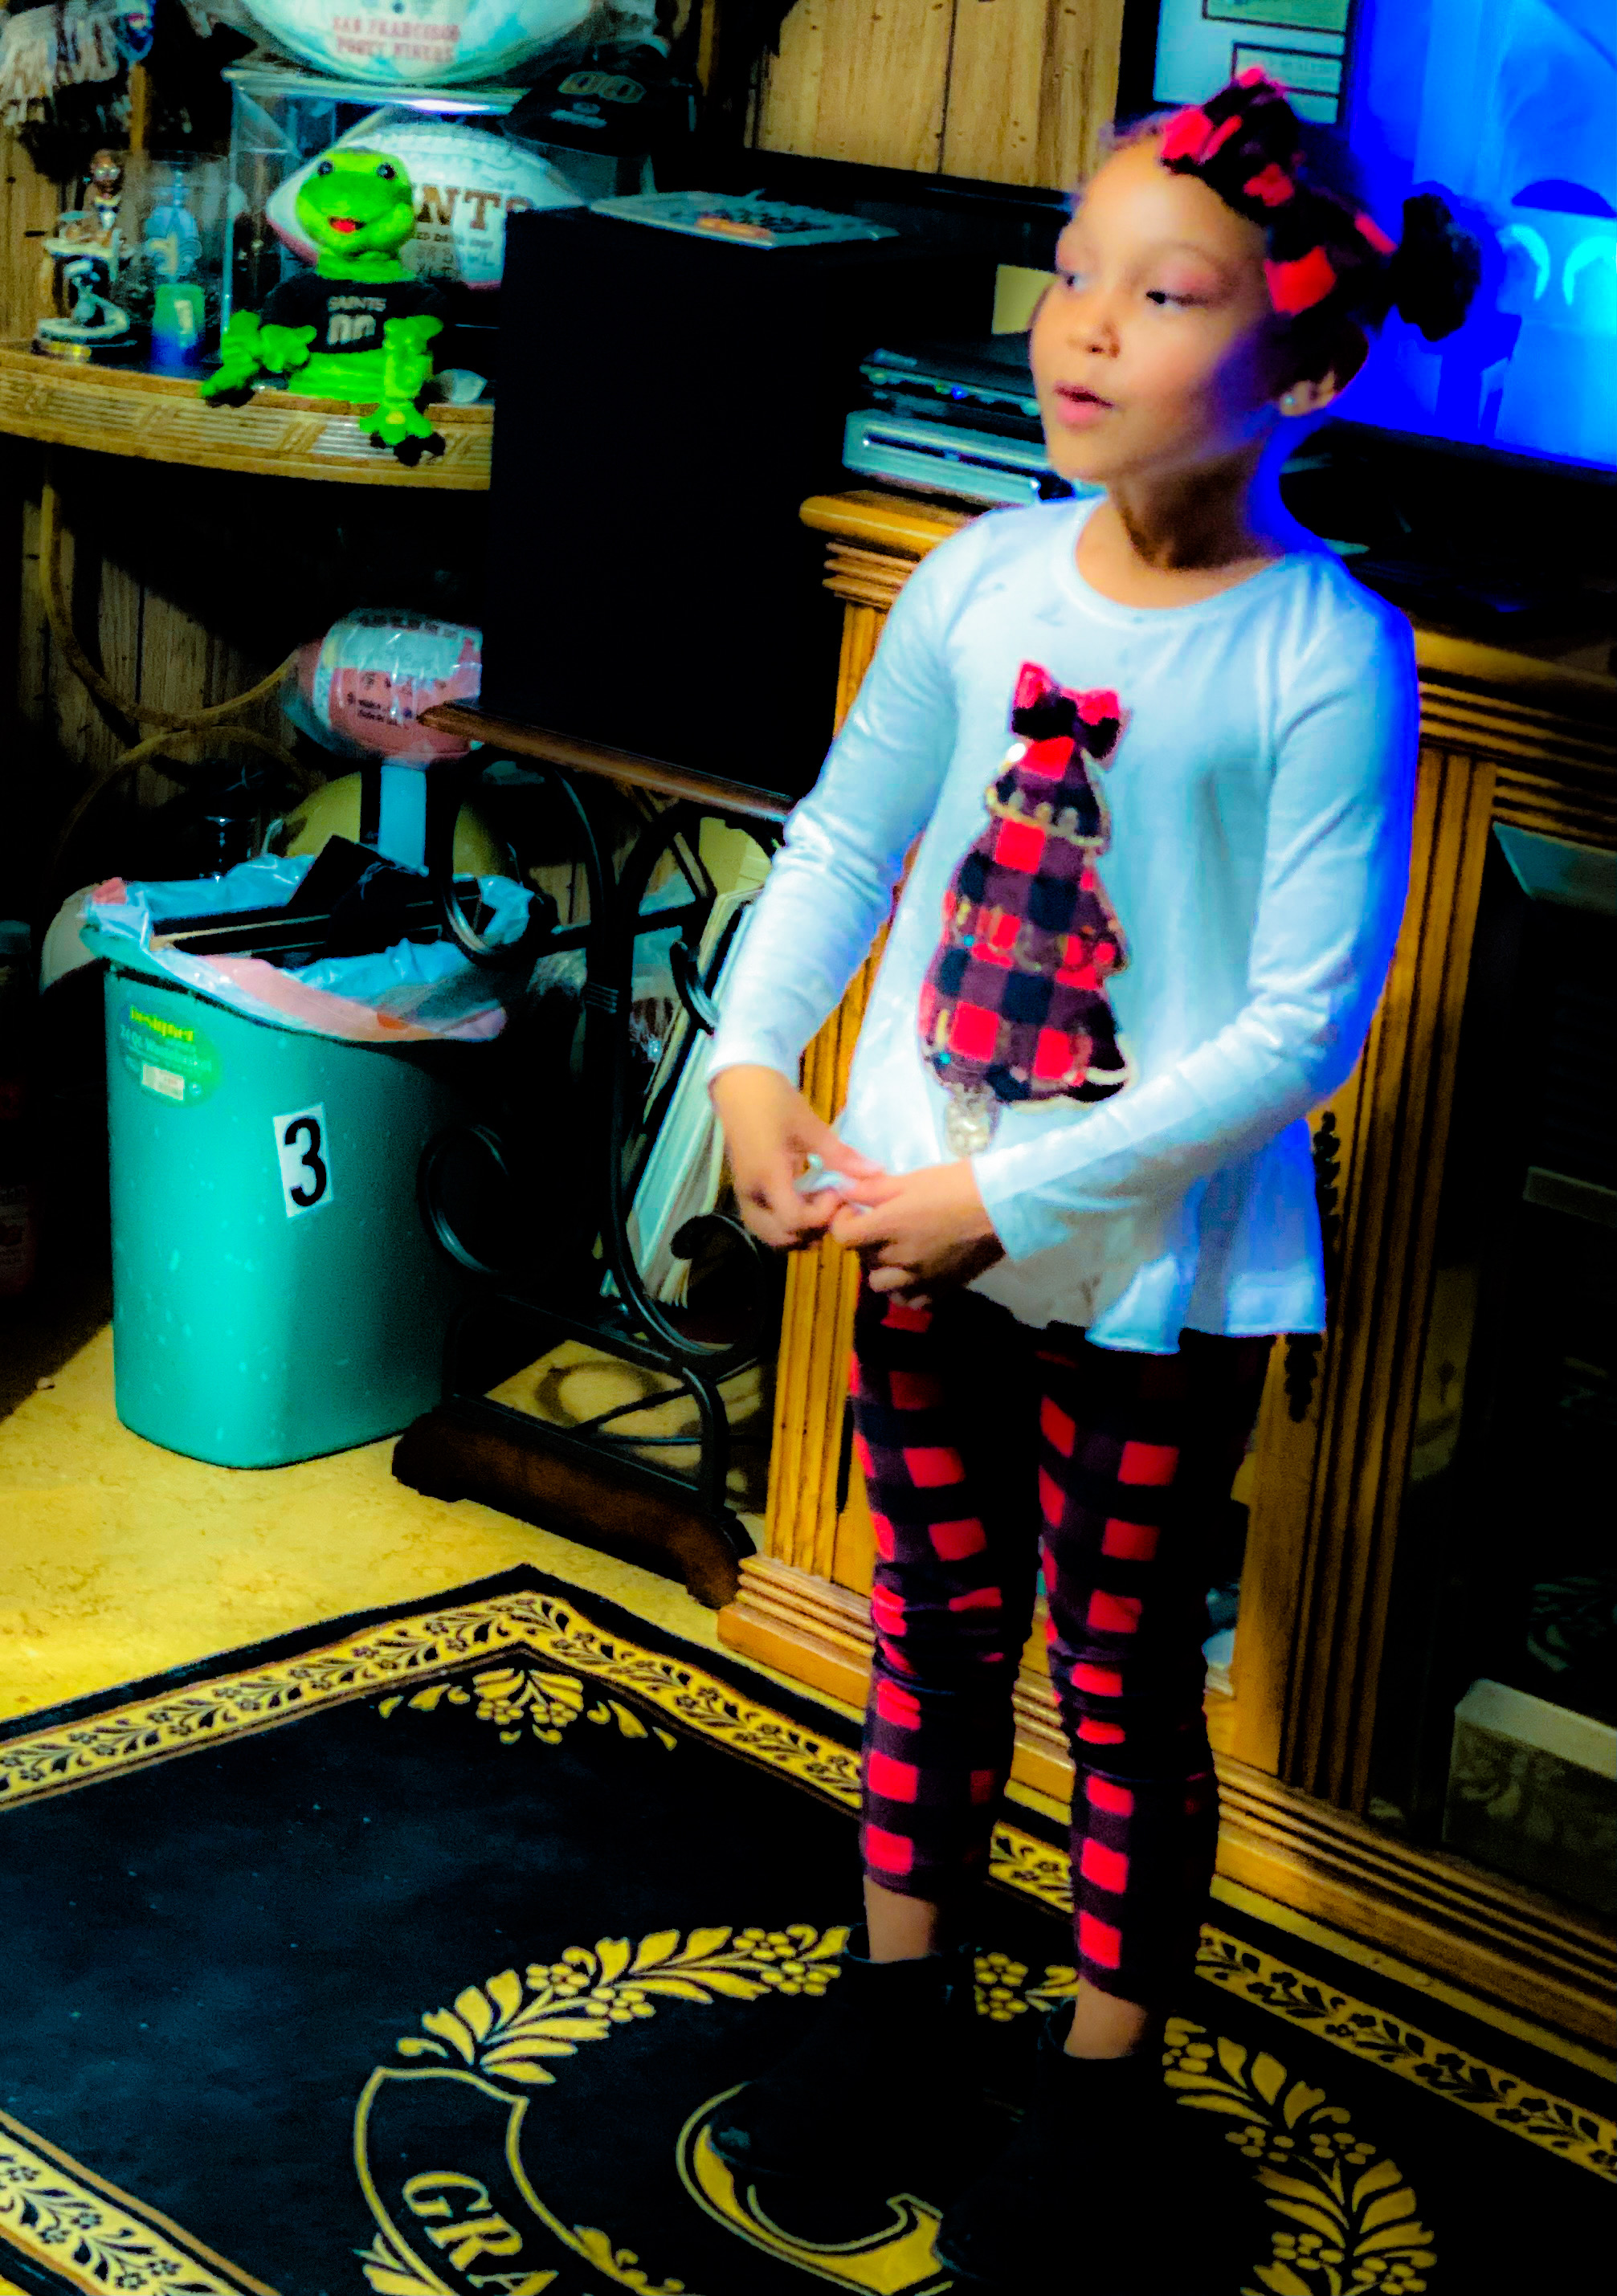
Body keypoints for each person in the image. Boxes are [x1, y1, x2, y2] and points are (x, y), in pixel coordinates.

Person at [705, 68, 1479, 2289]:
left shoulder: (1329, 653)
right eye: (1071, 275)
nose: (1085, 325)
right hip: (917, 1220)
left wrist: (1016, 1203)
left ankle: (1102, 2081)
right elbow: (843, 841)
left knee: (1119, 1668)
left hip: (1152, 1278)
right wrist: (755, 1063)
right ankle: (898, 2007)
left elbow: (1299, 1030)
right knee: (932, 1627)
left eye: (1164, 293)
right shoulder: (973, 576)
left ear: (1303, 374)